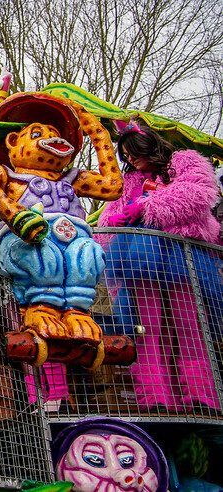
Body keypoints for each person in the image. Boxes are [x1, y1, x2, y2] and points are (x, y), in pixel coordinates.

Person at [99, 121, 221, 413]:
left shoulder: (184, 162)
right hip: (141, 259)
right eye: (125, 155)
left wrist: (146, 206)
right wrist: (114, 220)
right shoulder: (129, 180)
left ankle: (199, 396)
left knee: (188, 325)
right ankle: (155, 396)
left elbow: (198, 195)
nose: (129, 159)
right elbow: (111, 213)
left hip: (183, 257)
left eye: (132, 152)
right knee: (148, 328)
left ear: (148, 144)